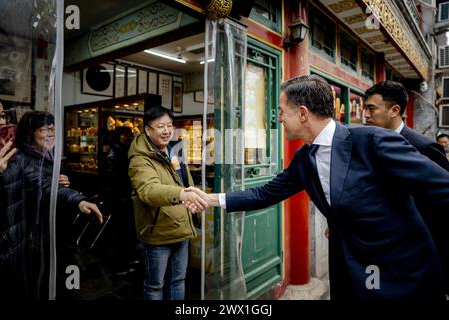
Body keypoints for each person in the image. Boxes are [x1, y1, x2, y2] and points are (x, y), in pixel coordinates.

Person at [186, 75, 449, 300]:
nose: (277, 119)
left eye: (281, 110)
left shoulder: (372, 141)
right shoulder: (304, 159)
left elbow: (440, 188)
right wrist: (210, 199)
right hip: (350, 271)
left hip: (402, 273)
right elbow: (265, 193)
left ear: (302, 113)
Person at [0, 111, 103, 300]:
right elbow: (42, 186)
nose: (51, 134)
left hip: (45, 234)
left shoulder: (50, 156)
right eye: (45, 129)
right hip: (24, 238)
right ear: (30, 133)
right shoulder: (19, 158)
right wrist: (72, 197)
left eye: (53, 129)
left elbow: (51, 186)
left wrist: (72, 194)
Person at [364, 80, 449, 294]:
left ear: (394, 110)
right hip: (382, 248)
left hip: (419, 250)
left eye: (371, 108)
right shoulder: (367, 145)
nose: (365, 115)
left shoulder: (423, 147)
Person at [128, 106, 207, 300]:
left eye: (170, 125)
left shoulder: (173, 150)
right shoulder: (139, 159)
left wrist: (192, 197)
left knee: (178, 280)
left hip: (181, 228)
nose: (167, 130)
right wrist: (182, 194)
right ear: (147, 129)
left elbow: (184, 181)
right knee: (155, 286)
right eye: (160, 126)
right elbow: (149, 191)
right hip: (158, 232)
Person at [104, 126, 137, 275]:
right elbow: (116, 179)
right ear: (120, 137)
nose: (130, 138)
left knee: (128, 230)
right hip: (119, 199)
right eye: (127, 135)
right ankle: (120, 265)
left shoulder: (121, 151)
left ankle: (128, 258)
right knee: (121, 231)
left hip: (123, 197)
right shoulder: (116, 153)